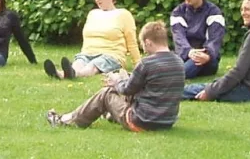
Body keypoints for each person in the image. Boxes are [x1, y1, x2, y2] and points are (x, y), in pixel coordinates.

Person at [47, 20, 185, 130]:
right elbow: (151, 86)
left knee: (106, 94)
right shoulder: (179, 63)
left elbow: (127, 90)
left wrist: (116, 81)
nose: (144, 49)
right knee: (119, 88)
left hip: (142, 122)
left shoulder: (147, 64)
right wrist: (125, 79)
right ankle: (109, 114)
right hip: (167, 122)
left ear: (148, 42)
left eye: (144, 45)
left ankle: (67, 120)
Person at [184, 0, 250, 102]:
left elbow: (238, 72)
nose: (243, 13)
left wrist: (211, 92)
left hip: (249, 92)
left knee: (189, 90)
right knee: (206, 86)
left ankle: (163, 94)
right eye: (242, 10)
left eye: (247, 9)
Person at [44, 0, 139, 79]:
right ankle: (63, 73)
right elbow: (87, 38)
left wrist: (138, 64)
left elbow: (132, 42)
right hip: (88, 53)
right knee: (78, 63)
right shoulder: (93, 14)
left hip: (110, 56)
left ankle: (69, 74)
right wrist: (84, 54)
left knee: (93, 65)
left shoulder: (124, 14)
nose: (97, 0)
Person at [172, 0, 227, 80]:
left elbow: (215, 39)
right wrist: (189, 52)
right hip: (185, 55)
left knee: (194, 62)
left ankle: (175, 76)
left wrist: (207, 54)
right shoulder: (178, 12)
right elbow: (179, 37)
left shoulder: (214, 12)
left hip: (207, 58)